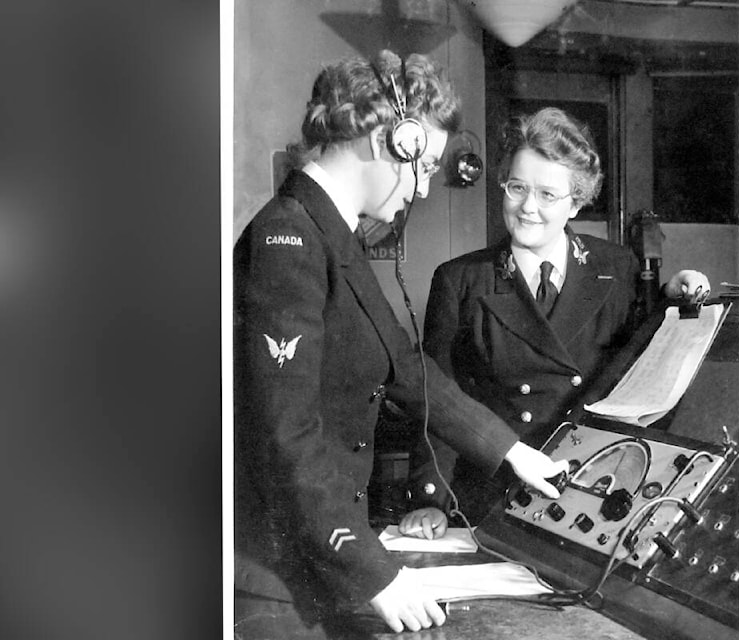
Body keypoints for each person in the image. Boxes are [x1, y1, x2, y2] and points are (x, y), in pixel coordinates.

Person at [233, 51, 568, 636]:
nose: (422, 188)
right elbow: (284, 435)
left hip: (315, 565)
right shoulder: (288, 237)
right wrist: (376, 574)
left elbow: (408, 370)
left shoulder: (332, 235)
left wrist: (512, 452)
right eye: (426, 164)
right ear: (392, 140)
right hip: (277, 580)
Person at [399, 107, 710, 539]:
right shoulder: (460, 279)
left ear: (577, 202)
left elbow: (645, 374)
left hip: (593, 491)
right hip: (495, 497)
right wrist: (433, 499)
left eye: (548, 194)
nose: (528, 207)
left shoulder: (616, 268)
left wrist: (673, 302)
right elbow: (438, 398)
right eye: (517, 188)